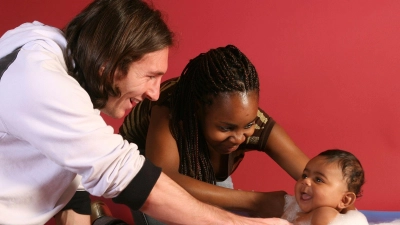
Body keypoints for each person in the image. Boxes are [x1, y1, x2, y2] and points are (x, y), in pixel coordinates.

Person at [0, 0, 293, 224]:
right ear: (110, 67)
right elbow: (124, 176)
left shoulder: (44, 42)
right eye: (150, 76)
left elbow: (62, 139)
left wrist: (75, 198)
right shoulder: (41, 82)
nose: (154, 92)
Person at [118, 44, 310, 224]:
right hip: (144, 161)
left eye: (248, 124)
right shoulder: (170, 110)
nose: (239, 137)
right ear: (197, 110)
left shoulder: (252, 123)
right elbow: (163, 179)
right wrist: (255, 201)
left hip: (199, 165)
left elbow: (318, 176)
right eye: (226, 128)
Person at [281, 149, 369, 225]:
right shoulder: (294, 208)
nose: (306, 181)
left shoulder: (324, 213)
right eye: (305, 175)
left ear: (344, 200)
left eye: (318, 180)